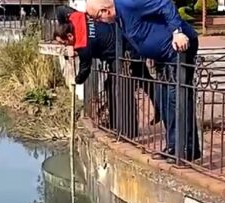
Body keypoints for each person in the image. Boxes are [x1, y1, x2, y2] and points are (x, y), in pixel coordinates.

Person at [86, 0, 201, 161]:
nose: (97, 22)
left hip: (179, 50)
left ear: (105, 11)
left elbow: (165, 3)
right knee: (163, 99)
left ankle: (187, 149)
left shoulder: (129, 3)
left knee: (177, 99)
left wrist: (177, 32)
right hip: (164, 57)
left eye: (97, 17)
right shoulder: (119, 18)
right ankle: (173, 145)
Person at [54, 5, 158, 138]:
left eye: (64, 43)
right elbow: (61, 10)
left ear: (69, 36)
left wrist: (76, 80)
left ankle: (129, 131)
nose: (64, 46)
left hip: (122, 52)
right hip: (123, 38)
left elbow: (84, 71)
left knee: (123, 87)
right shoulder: (76, 18)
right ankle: (116, 124)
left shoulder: (84, 47)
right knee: (128, 82)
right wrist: (63, 26)